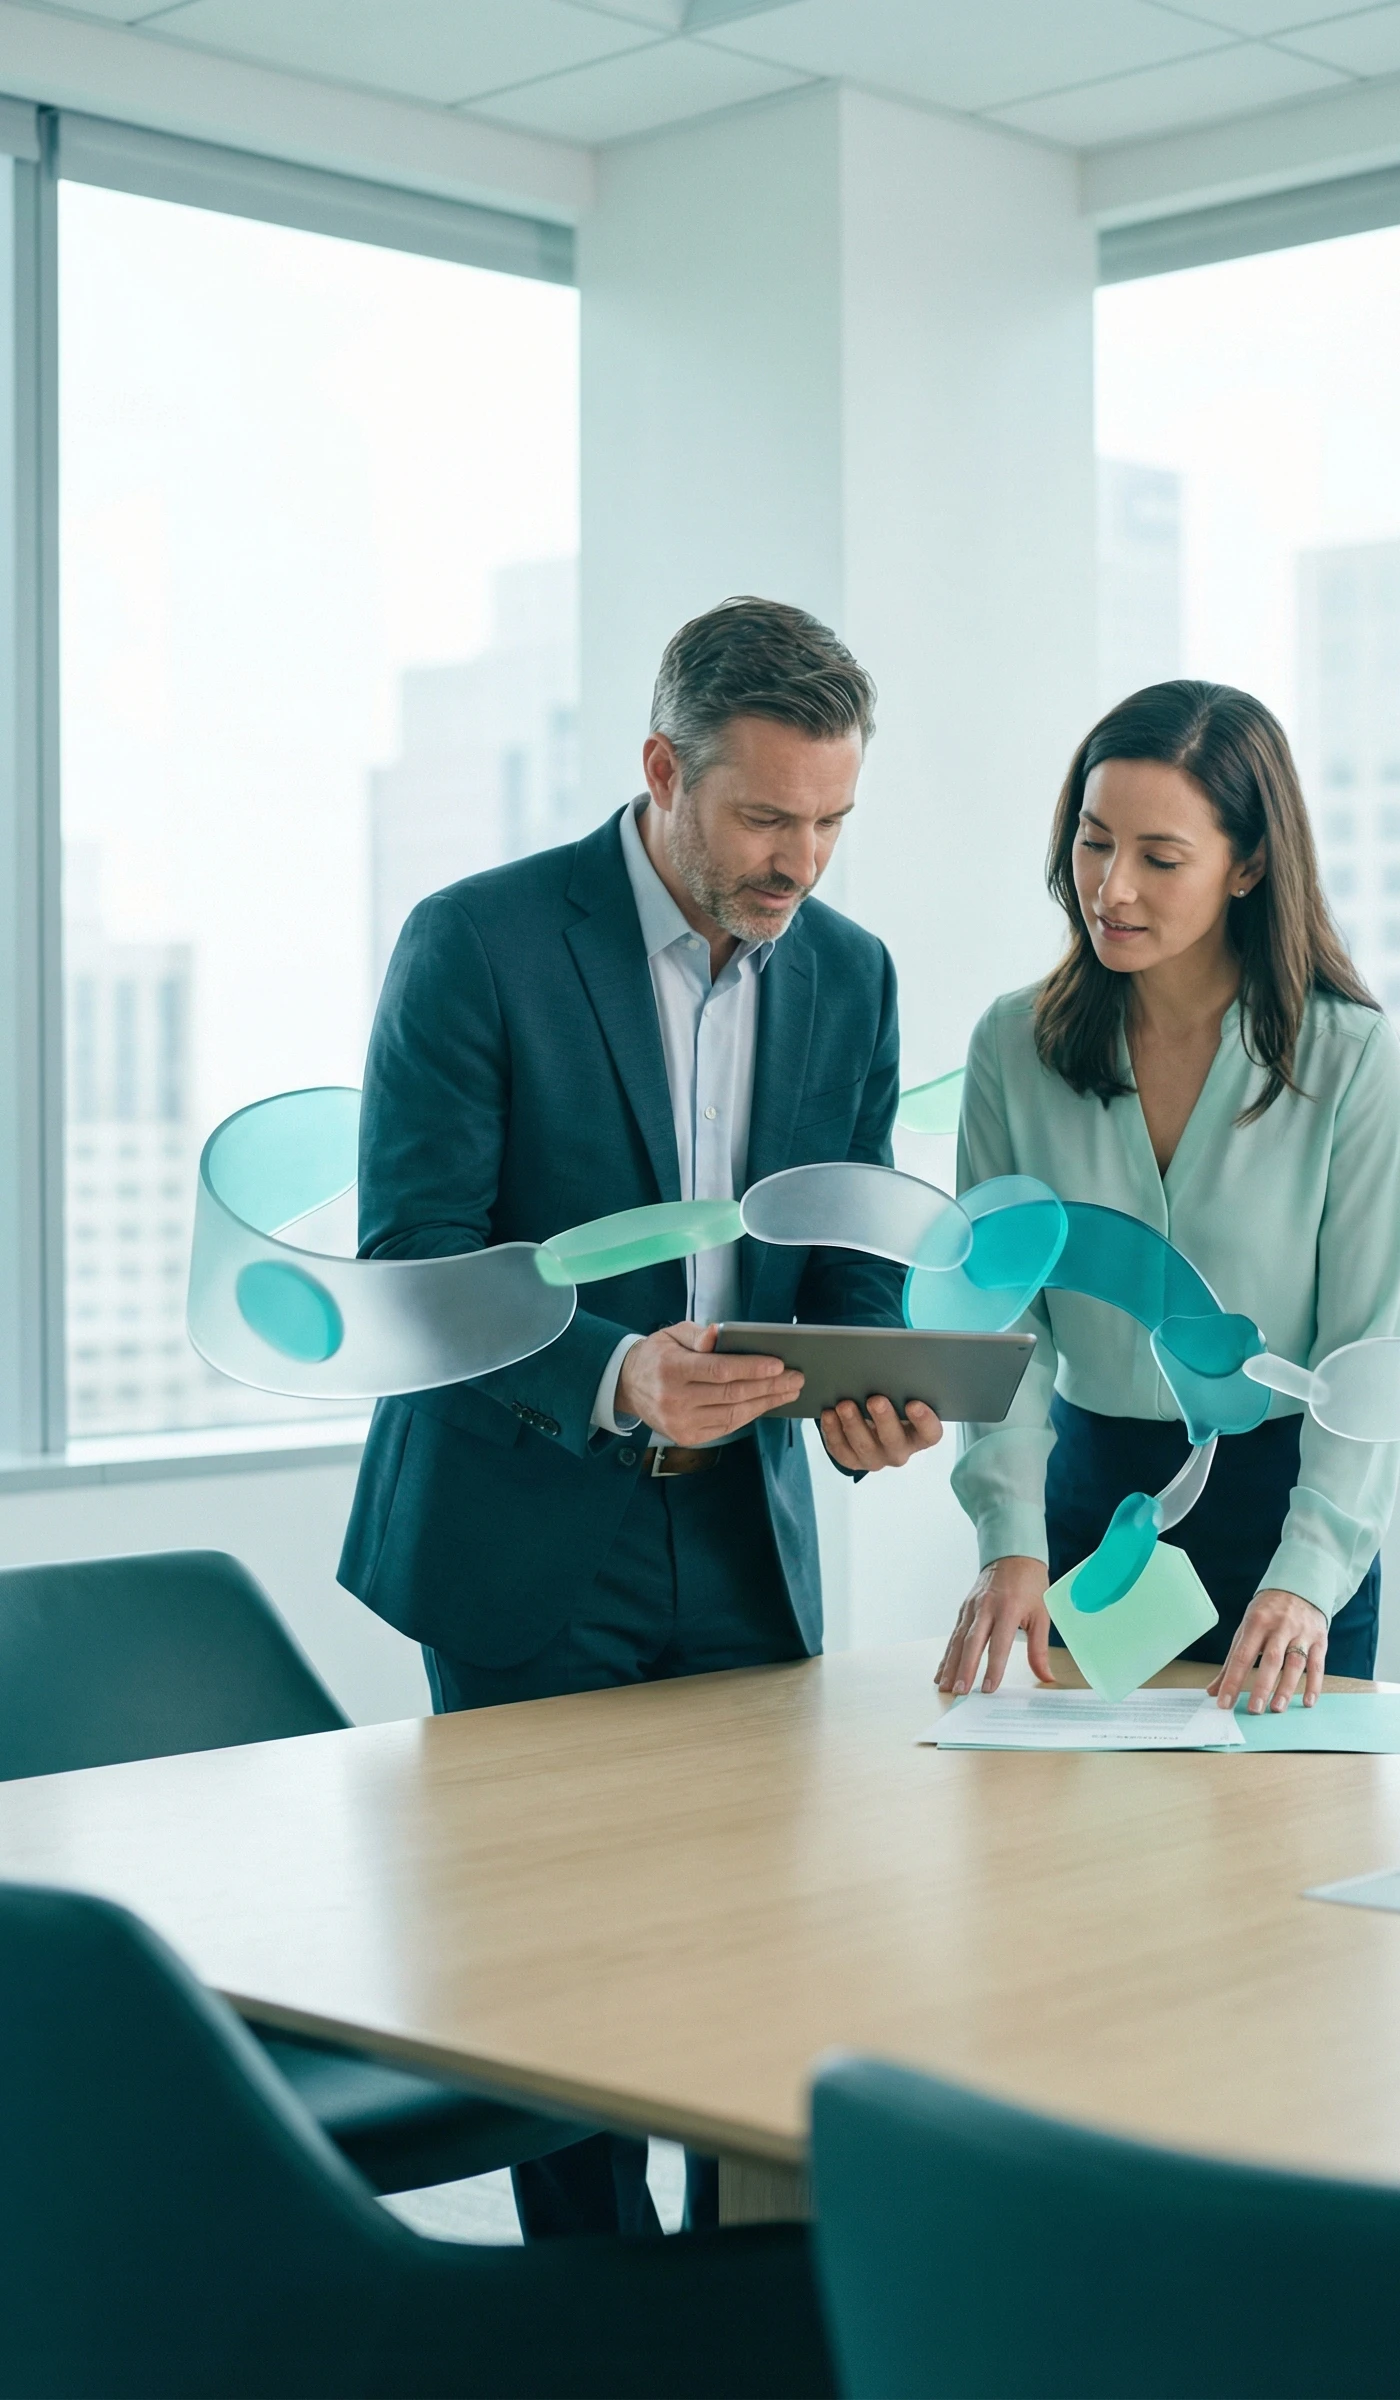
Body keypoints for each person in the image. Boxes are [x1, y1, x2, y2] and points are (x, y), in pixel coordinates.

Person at [340, 595, 940, 2241]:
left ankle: (735, 2318)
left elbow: (845, 1251)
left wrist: (866, 1382)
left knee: (756, 1973)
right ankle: (592, 2335)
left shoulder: (851, 971)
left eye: (828, 821)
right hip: (525, 1535)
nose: (796, 862)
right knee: (561, 2009)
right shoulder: (478, 941)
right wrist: (611, 1371)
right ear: (663, 770)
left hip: (743, 1536)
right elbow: (411, 1263)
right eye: (761, 816)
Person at [935, 679, 1400, 1717]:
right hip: (1086, 1505)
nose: (1112, 889)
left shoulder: (1347, 1057)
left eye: (1159, 859)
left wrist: (1310, 1573)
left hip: (1287, 1512)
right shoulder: (1011, 1047)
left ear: (1246, 865)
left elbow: (1361, 1349)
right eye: (1094, 842)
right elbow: (999, 1318)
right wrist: (1008, 1535)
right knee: (1073, 1857)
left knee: (1286, 1856)